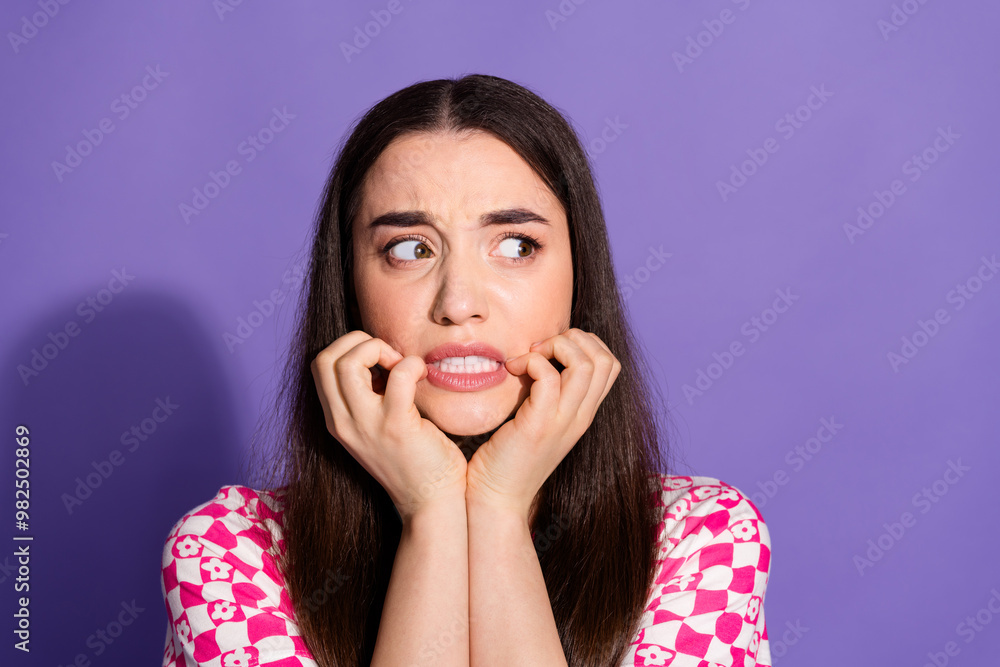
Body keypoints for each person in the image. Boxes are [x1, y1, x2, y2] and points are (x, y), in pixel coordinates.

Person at [159, 74, 772, 666]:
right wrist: (432, 513)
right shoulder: (228, 553)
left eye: (515, 246)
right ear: (350, 288)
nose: (458, 304)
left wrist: (500, 510)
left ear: (579, 276)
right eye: (409, 249)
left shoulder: (700, 541)